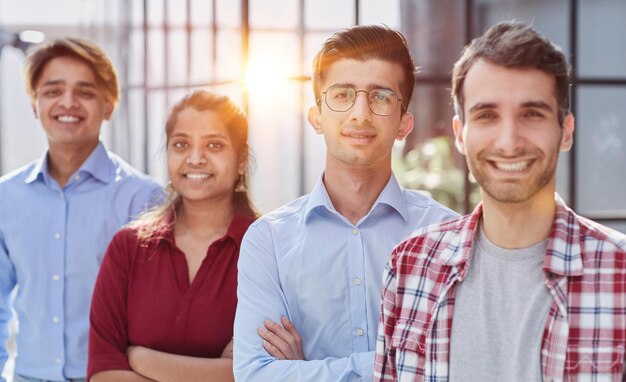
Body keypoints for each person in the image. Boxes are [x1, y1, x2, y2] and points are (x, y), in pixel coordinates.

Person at [374, 21, 626, 382]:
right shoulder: (409, 269)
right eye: (487, 115)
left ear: (566, 130)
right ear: (461, 135)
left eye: (532, 114)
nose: (509, 142)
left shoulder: (620, 274)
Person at [234, 24, 457, 381]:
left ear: (404, 124)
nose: (360, 114)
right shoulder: (268, 241)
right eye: (342, 95)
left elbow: (454, 368)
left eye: (381, 96)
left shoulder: (445, 235)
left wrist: (303, 371)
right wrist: (398, 362)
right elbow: (256, 375)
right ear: (316, 117)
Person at [0, 38, 162, 382]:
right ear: (35, 103)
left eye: (85, 92)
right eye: (53, 90)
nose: (68, 103)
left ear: (109, 105)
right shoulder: (6, 198)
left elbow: (162, 318)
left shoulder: (144, 199)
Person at [87, 90, 257, 382]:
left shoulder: (268, 248)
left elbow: (262, 373)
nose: (195, 158)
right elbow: (104, 374)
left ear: (241, 159)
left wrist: (140, 358)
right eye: (181, 144)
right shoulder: (128, 247)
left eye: (214, 145)